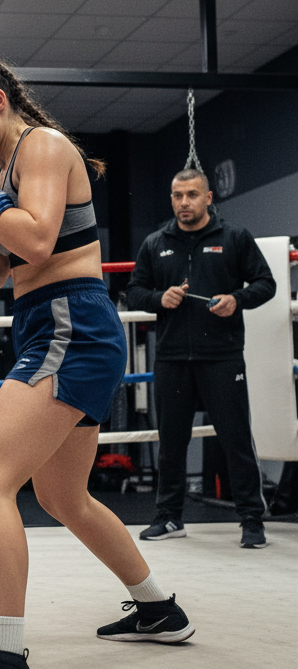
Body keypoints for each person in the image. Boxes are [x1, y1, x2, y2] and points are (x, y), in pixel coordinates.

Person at [0, 53, 193, 669]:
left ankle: (6, 667)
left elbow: (36, 242)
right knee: (63, 496)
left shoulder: (43, 147)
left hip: (72, 323)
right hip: (48, 323)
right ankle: (158, 609)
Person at [126, 168, 275, 549]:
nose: (184, 202)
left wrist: (236, 300)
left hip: (222, 356)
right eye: (178, 196)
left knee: (236, 439)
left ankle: (251, 520)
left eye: (192, 195)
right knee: (171, 442)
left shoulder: (234, 237)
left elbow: (266, 284)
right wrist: (160, 298)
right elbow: (135, 291)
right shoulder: (155, 242)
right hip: (172, 356)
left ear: (208, 198)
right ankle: (169, 516)